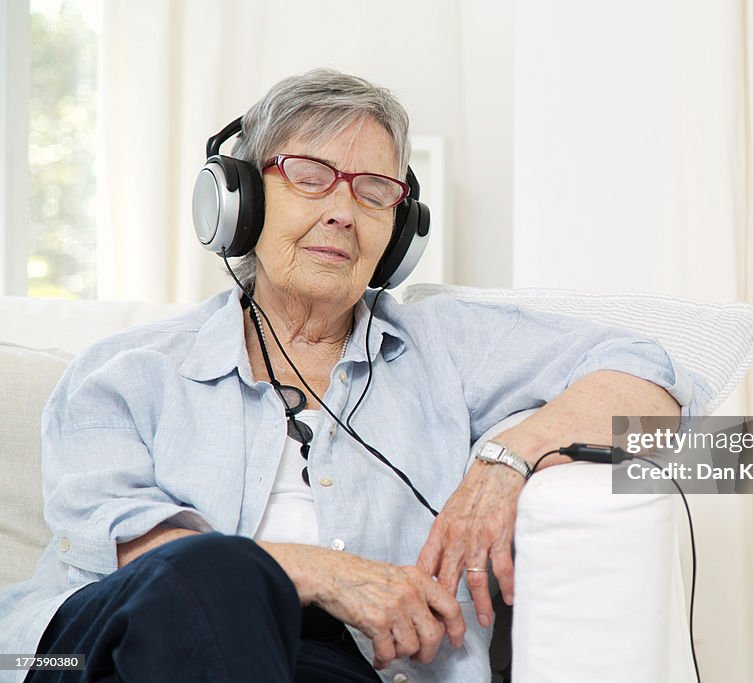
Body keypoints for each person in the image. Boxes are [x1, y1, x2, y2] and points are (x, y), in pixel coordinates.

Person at [0, 69, 699, 682]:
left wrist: (506, 458)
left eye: (374, 190)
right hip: (93, 653)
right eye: (308, 176)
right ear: (239, 200)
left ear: (399, 229)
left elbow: (649, 378)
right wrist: (337, 576)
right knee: (213, 572)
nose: (342, 209)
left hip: (334, 666)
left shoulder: (446, 346)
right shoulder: (123, 372)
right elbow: (144, 553)